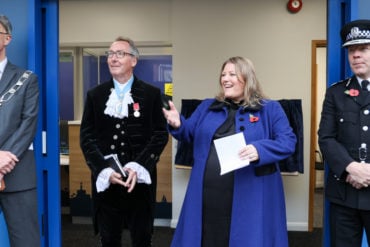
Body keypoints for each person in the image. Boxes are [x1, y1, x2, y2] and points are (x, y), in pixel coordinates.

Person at [163, 56, 297, 247]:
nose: (225, 79)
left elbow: (288, 142)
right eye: (223, 74)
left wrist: (259, 149)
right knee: (208, 237)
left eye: (232, 74)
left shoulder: (270, 109)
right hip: (208, 194)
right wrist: (178, 123)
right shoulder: (207, 107)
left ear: (247, 78)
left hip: (251, 195)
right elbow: (188, 132)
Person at [80, 36, 169, 247]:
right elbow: (87, 137)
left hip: (139, 183)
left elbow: (160, 134)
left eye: (120, 54)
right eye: (110, 54)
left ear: (134, 60)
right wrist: (103, 170)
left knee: (141, 239)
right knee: (109, 239)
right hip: (107, 182)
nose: (113, 58)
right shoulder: (95, 95)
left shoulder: (151, 94)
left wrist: (139, 166)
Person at [318, 19, 370, 247]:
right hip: (344, 192)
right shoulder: (336, 93)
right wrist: (352, 168)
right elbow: (326, 137)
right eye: (351, 50)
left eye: (363, 49)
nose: (356, 55)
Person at [0, 15, 40, 246]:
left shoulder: (26, 79)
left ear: (7, 38)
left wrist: (4, 158)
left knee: (26, 242)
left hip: (18, 177)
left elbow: (28, 124)